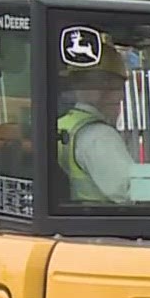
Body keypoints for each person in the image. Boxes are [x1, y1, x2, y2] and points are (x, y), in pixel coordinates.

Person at [56, 41, 137, 205]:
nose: (119, 96)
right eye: (116, 87)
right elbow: (130, 190)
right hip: (103, 226)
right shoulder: (98, 135)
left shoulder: (64, 123)